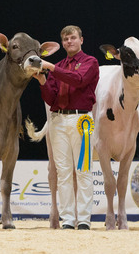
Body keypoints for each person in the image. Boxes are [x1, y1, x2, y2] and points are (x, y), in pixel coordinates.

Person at [33, 25, 99, 230]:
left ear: (81, 40)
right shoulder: (59, 65)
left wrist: (51, 68)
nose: (69, 42)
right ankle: (69, 219)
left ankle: (84, 219)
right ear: (62, 43)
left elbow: (79, 81)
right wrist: (42, 80)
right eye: (65, 39)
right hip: (58, 120)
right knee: (62, 172)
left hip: (82, 121)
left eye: (72, 38)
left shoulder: (90, 62)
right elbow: (51, 98)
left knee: (83, 171)